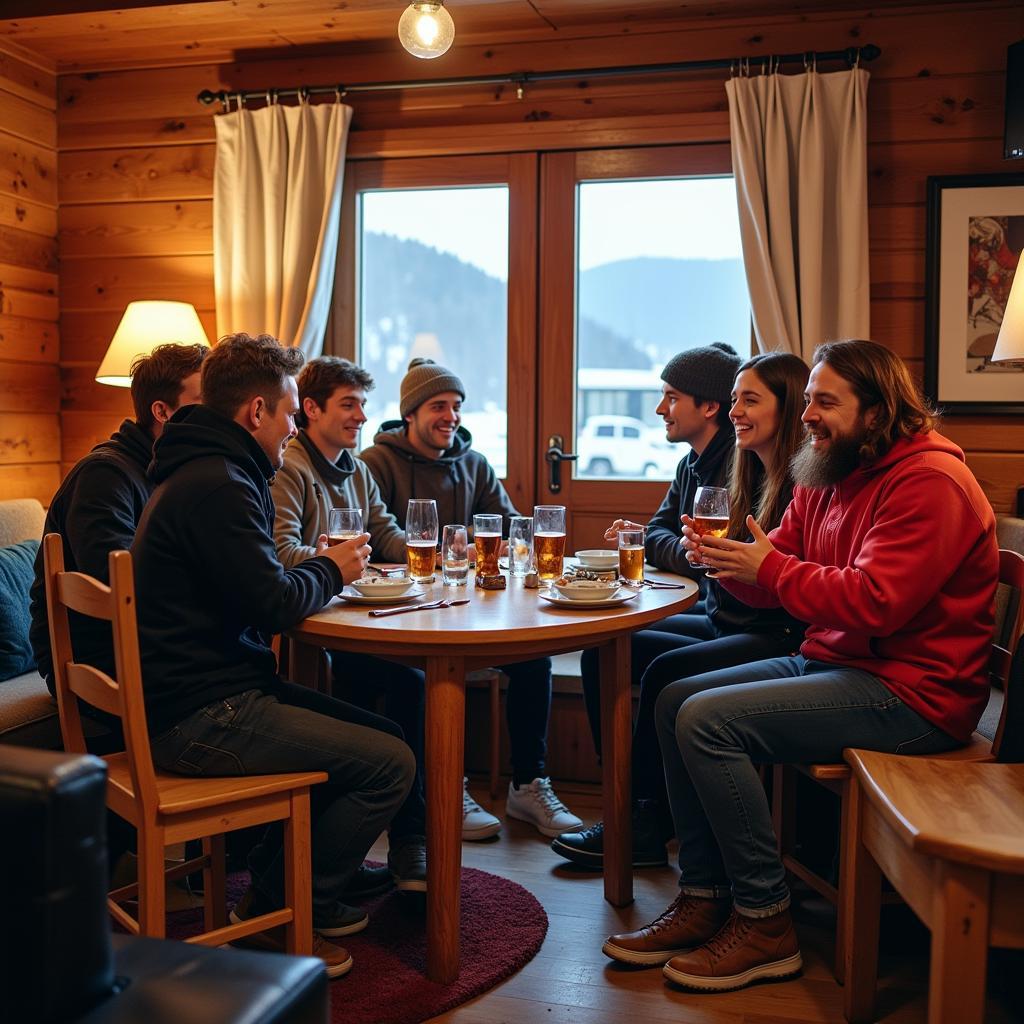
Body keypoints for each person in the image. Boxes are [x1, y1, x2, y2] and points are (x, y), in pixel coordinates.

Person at [606, 339, 998, 994]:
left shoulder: (929, 482)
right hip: (839, 660)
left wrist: (770, 569)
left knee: (705, 721)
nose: (809, 414)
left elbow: (877, 603)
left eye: (825, 401)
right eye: (809, 398)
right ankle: (705, 895)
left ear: (876, 411)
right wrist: (728, 561)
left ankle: (764, 923)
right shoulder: (829, 468)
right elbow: (777, 567)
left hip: (915, 692)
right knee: (676, 699)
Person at [132, 333, 415, 979]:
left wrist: (315, 568)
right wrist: (333, 567)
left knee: (383, 736)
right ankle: (283, 911)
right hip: (199, 716)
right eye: (290, 414)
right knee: (389, 763)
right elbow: (276, 605)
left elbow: (260, 589)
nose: (292, 429)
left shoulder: (208, 472)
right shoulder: (217, 484)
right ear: (255, 411)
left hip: (207, 692)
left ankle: (279, 886)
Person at [555, 351, 809, 871]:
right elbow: (662, 538)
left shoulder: (788, 479)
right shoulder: (733, 464)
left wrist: (703, 554)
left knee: (664, 669)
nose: (660, 409)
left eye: (750, 400)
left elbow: (712, 558)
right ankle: (627, 802)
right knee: (607, 646)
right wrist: (700, 553)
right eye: (737, 399)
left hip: (774, 630)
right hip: (731, 613)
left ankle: (645, 819)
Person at [361, 357, 583, 841]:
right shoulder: (375, 464)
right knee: (416, 672)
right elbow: (375, 540)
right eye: (438, 405)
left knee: (534, 656)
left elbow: (508, 529)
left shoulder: (474, 464)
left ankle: (528, 784)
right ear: (411, 413)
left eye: (456, 406)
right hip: (400, 616)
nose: (451, 416)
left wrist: (514, 547)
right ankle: (441, 788)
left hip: (467, 610)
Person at [271, 355, 428, 888]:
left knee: (410, 681)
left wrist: (441, 552)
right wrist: (330, 562)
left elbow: (385, 536)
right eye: (349, 404)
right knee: (407, 684)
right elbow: (277, 551)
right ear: (309, 409)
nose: (361, 416)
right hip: (303, 637)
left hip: (350, 626)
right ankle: (408, 842)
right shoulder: (290, 466)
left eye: (363, 404)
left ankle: (401, 842)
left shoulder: (356, 469)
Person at [29, 342, 207, 700]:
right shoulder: (105, 475)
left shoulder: (174, 472)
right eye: (206, 402)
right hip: (99, 660)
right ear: (162, 411)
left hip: (148, 649)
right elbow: (117, 580)